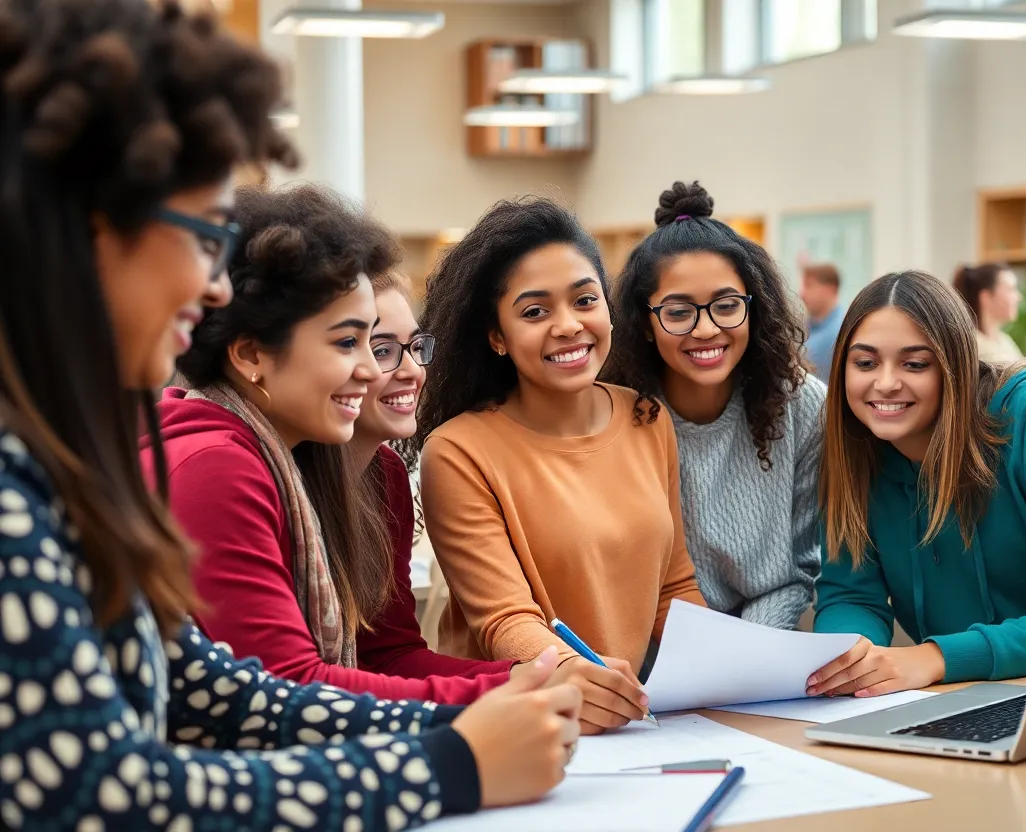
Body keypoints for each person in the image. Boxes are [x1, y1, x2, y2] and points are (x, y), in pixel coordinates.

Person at [0, 1, 580, 827]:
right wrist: (444, 764)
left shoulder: (66, 459)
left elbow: (218, 694)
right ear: (91, 229)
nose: (216, 287)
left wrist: (478, 717)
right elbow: (103, 794)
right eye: (203, 237)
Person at [147, 184, 518, 704]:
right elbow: (285, 687)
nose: (370, 369)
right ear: (250, 356)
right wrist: (514, 690)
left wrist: (527, 680)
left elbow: (381, 654)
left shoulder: (333, 463)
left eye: (378, 344)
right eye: (350, 342)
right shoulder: (216, 466)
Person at [414, 196, 706, 731]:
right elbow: (503, 619)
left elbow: (673, 588)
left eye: (585, 300)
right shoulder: (457, 450)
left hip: (624, 722)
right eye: (535, 312)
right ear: (497, 337)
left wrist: (736, 664)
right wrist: (572, 672)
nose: (569, 325)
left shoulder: (647, 419)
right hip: (513, 720)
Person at [806, 271, 1026, 698]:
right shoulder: (851, 447)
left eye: (915, 364)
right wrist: (849, 661)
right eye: (865, 363)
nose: (884, 383)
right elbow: (851, 595)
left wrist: (936, 658)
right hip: (958, 698)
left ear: (955, 365)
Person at [348, 270, 642, 732]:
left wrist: (530, 678)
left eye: (414, 347)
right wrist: (525, 682)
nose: (411, 370)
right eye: (381, 350)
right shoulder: (256, 472)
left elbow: (389, 654)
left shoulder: (384, 476)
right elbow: (294, 677)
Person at [602, 181, 824, 630]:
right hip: (649, 648)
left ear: (754, 307)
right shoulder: (613, 415)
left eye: (726, 305)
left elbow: (802, 566)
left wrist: (738, 653)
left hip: (765, 643)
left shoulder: (804, 405)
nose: (706, 330)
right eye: (678, 312)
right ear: (644, 323)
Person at [953, 262, 1025, 364]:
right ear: (986, 297)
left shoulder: (1005, 341)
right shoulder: (971, 347)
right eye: (1010, 289)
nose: (1018, 297)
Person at [798, 257, 844, 381]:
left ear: (830, 289)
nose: (802, 294)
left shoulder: (838, 334)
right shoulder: (811, 327)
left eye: (809, 285)